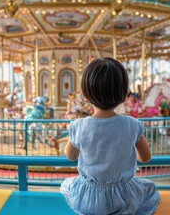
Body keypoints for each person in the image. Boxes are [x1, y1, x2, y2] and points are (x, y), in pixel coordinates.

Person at [60, 58, 159, 215]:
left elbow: (70, 155)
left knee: (67, 184)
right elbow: (145, 158)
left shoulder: (79, 125)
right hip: (124, 200)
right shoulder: (132, 124)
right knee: (150, 189)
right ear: (124, 93)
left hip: (89, 200)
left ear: (85, 94)